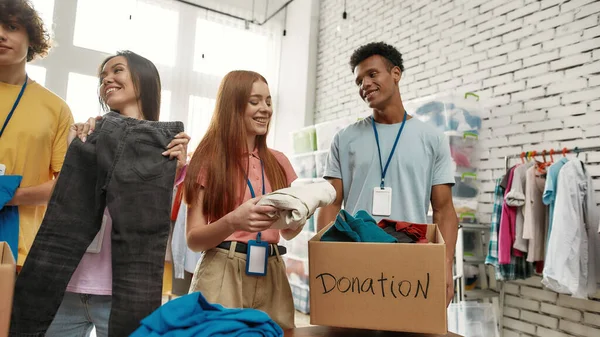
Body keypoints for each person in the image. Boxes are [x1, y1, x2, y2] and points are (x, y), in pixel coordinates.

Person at [45, 50, 190, 337]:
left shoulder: (168, 146)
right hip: (68, 285)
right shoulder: (88, 133)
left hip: (125, 291)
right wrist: (80, 146)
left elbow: (156, 217)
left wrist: (176, 166)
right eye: (103, 76)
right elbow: (62, 206)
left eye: (117, 71)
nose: (107, 79)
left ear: (143, 79)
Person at [316, 42, 459, 307]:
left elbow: (444, 210)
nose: (364, 85)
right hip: (354, 257)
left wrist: (445, 266)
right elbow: (331, 203)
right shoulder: (345, 138)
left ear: (396, 74)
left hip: (411, 258)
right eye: (359, 80)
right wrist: (324, 260)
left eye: (372, 74)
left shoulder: (432, 138)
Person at [183, 70, 299, 329]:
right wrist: (233, 221)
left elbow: (289, 233)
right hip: (222, 270)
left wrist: (299, 217)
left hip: (272, 271)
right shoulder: (207, 161)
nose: (265, 109)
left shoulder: (279, 162)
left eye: (268, 101)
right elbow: (193, 239)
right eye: (255, 101)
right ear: (232, 106)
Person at [0, 0, 73, 269]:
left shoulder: (56, 109)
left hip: (21, 251)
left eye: (11, 26)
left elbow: (66, 184)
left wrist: (9, 194)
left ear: (31, 38)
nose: (1, 34)